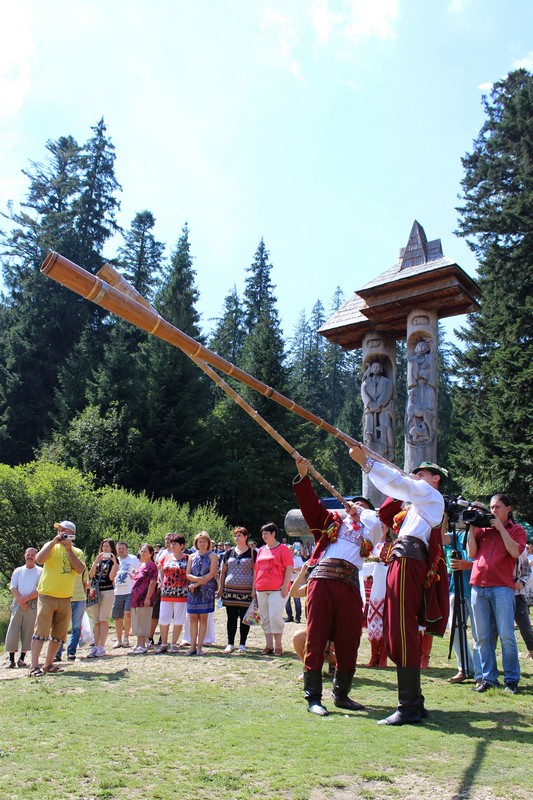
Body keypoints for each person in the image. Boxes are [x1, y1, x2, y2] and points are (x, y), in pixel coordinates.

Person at [348, 448, 449, 725]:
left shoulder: (431, 495)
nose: (416, 476)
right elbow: (387, 508)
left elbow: (401, 484)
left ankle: (408, 707)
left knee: (401, 629)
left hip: (408, 559)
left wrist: (368, 464)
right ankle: (415, 701)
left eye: (422, 474)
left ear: (436, 479)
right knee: (396, 628)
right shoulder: (415, 504)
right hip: (401, 558)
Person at [293, 457, 376, 716]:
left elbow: (378, 518)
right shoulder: (331, 523)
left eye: (362, 507)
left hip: (350, 584)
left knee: (350, 639)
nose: (355, 508)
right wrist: (303, 476)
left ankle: (341, 694)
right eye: (354, 504)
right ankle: (313, 698)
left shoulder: (369, 534)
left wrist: (360, 513)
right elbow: (310, 506)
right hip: (322, 580)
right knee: (316, 637)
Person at [468, 494, 527, 694]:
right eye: (491, 507)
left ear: (508, 509)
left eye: (498, 507)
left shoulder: (517, 530)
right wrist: (472, 528)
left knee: (506, 635)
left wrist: (500, 529)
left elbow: (515, 552)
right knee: (483, 636)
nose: (493, 511)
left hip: (502, 587)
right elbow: (471, 554)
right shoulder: (483, 530)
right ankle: (489, 679)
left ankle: (511, 680)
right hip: (478, 585)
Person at [29, 521, 85, 677]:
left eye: (62, 529)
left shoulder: (76, 551)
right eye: (58, 530)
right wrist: (54, 542)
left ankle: (48, 664)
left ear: (71, 533)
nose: (59, 531)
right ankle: (34, 665)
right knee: (40, 631)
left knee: (59, 635)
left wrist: (68, 550)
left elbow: (80, 569)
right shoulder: (51, 545)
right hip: (47, 595)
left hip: (65, 598)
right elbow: (39, 559)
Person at [442, 531, 482, 684]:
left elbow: (485, 560)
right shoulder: (457, 534)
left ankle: (481, 673)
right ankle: (464, 668)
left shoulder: (483, 535)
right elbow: (441, 537)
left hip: (477, 588)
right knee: (455, 631)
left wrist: (469, 565)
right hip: (456, 588)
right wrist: (444, 514)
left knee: (479, 634)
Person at [252, 522, 293, 657]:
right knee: (265, 617)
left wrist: (285, 585)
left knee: (275, 615)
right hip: (261, 588)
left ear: (274, 534)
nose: (264, 536)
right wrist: (254, 588)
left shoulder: (283, 549)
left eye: (266, 533)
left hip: (277, 589)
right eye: (262, 533)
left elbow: (289, 567)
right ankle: (268, 645)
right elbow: (256, 570)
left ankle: (278, 646)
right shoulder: (261, 550)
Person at [218, 526, 256, 654]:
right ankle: (230, 643)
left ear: (246, 537)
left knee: (245, 618)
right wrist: (220, 588)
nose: (237, 538)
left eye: (239, 535)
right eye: (235, 536)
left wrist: (254, 589)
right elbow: (223, 571)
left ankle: (242, 644)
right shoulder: (229, 552)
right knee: (231, 617)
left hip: (246, 591)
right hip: (230, 590)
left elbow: (255, 572)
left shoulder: (252, 552)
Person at [4, 548, 42, 669]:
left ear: (36, 557)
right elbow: (13, 587)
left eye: (32, 555)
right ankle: (11, 659)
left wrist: (25, 599)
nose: (30, 557)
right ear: (24, 555)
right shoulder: (18, 571)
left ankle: (22, 658)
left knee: (28, 631)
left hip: (32, 603)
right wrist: (21, 600)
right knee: (13, 629)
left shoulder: (40, 571)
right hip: (18, 602)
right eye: (28, 554)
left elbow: (40, 589)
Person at [186, 531, 218, 656]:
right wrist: (195, 582)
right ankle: (192, 646)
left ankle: (200, 647)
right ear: (196, 543)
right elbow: (188, 574)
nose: (202, 543)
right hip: (193, 590)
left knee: (203, 619)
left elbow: (212, 574)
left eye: (204, 541)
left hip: (206, 590)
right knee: (193, 619)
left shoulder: (213, 556)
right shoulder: (191, 557)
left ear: (208, 543)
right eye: (200, 541)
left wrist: (197, 583)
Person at [156, 534, 189, 653]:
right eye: (171, 543)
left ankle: (174, 643)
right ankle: (164, 643)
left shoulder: (188, 558)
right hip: (166, 593)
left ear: (182, 545)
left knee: (179, 619)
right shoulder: (166, 558)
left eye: (175, 543)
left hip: (181, 593)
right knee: (164, 618)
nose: (172, 545)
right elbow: (163, 573)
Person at [87, 539, 119, 658]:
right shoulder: (99, 560)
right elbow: (91, 575)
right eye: (103, 546)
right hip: (96, 591)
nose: (105, 549)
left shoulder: (114, 561)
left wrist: (115, 562)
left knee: (103, 619)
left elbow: (111, 577)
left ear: (111, 548)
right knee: (96, 620)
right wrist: (96, 561)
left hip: (107, 591)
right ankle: (95, 645)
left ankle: (102, 646)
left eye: (107, 546)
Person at [128, 544, 158, 655]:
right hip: (135, 598)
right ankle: (138, 643)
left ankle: (142, 644)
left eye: (145, 551)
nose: (142, 553)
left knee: (143, 621)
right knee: (136, 621)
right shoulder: (141, 566)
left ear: (151, 553)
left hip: (144, 598)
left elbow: (152, 582)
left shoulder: (152, 566)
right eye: (141, 551)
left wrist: (148, 598)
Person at [111, 541, 140, 649]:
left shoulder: (133, 559)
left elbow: (140, 570)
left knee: (128, 613)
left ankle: (126, 637)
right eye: (119, 548)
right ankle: (118, 640)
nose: (121, 550)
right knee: (118, 617)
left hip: (130, 590)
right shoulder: (114, 560)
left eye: (123, 548)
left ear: (127, 549)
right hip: (117, 591)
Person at [513, 549, 533, 660]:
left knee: (526, 629)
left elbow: (527, 572)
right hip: (499, 594)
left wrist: (521, 582)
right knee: (494, 630)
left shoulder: (521, 550)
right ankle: (489, 668)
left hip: (517, 595)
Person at [285, 545, 304, 623]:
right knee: (287, 600)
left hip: (295, 581)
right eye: (289, 550)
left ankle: (298, 617)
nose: (291, 551)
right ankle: (289, 617)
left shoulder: (298, 559)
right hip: (287, 582)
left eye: (292, 550)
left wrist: (293, 569)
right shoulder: (284, 559)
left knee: (297, 600)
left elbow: (302, 569)